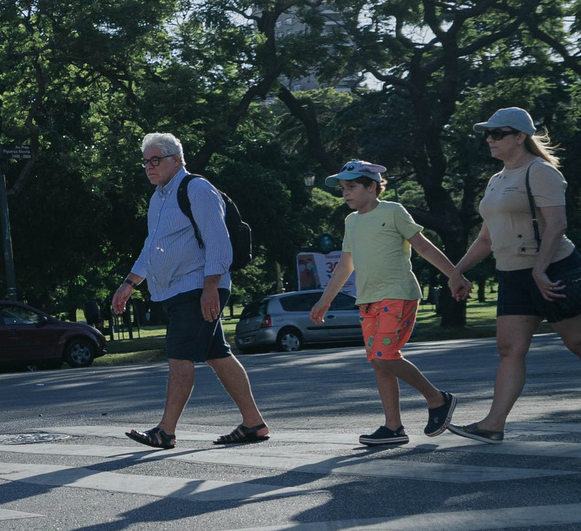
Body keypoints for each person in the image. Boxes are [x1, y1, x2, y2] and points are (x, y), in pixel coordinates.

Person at [439, 108, 581, 442]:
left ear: (520, 136)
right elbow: (486, 238)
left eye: (497, 133)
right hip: (512, 275)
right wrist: (456, 271)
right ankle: (493, 425)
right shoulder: (497, 180)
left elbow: (557, 224)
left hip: (554, 269)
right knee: (509, 350)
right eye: (487, 134)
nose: (489, 139)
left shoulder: (541, 172)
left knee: (580, 343)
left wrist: (539, 269)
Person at [110, 132, 271, 448]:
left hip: (196, 288)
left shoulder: (197, 189)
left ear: (175, 159)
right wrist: (130, 283)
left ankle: (165, 431)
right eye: (145, 162)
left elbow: (218, 241)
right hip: (175, 291)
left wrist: (210, 287)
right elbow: (152, 247)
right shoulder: (158, 198)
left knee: (179, 354)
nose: (149, 167)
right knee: (218, 354)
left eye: (155, 160)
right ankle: (253, 423)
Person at [308, 161, 462, 447]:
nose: (346, 193)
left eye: (352, 187)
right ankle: (394, 428)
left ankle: (438, 400)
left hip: (398, 293)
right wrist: (325, 300)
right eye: (343, 189)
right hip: (368, 300)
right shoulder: (351, 221)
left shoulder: (392, 211)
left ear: (372, 186)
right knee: (380, 364)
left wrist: (455, 274)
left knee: (384, 356)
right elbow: (345, 263)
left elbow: (424, 246)